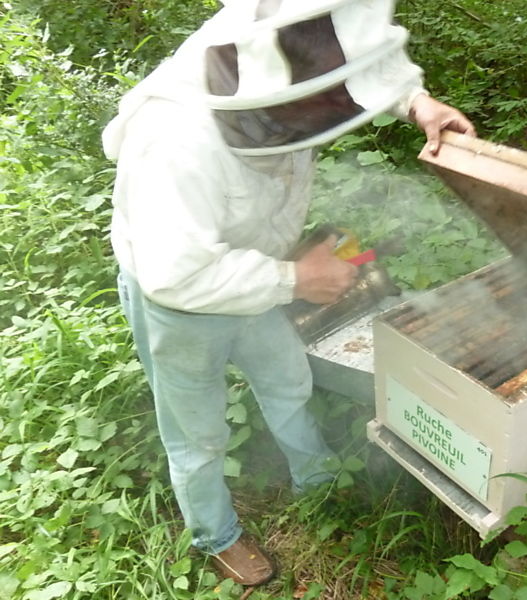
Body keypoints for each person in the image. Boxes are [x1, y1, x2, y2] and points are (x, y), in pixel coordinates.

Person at [102, 0, 475, 587]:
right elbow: (173, 275)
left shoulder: (290, 34)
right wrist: (296, 279)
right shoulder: (174, 144)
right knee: (196, 431)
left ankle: (318, 481)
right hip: (177, 303)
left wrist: (417, 102)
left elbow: (360, 53)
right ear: (267, 100)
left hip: (258, 270)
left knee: (287, 378)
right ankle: (215, 534)